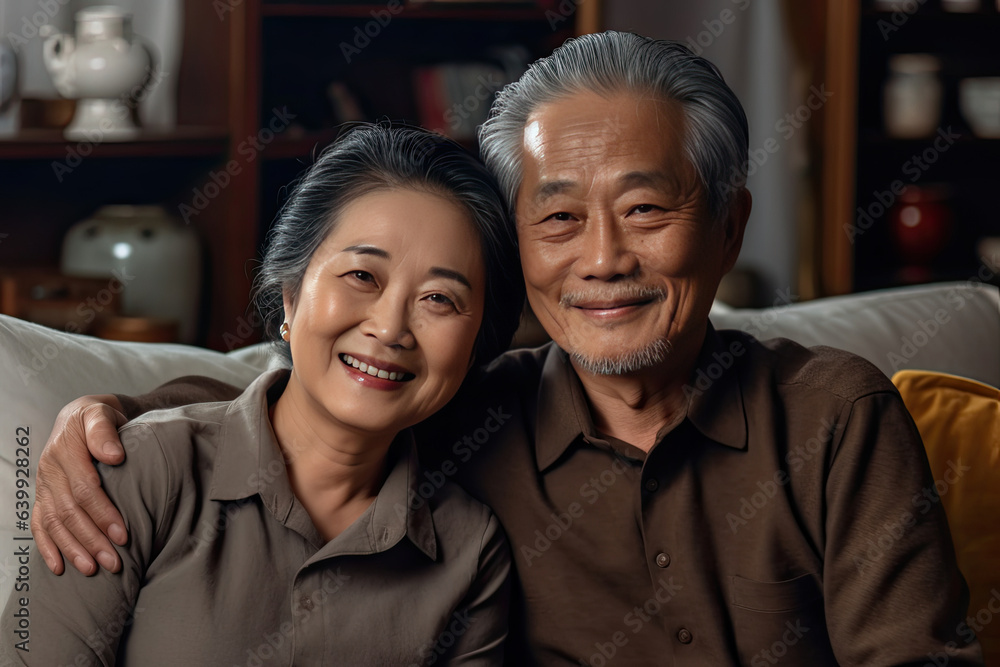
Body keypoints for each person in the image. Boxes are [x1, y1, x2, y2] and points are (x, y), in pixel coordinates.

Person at [29, 32, 983, 665]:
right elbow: (315, 402)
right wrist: (107, 415)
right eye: (558, 216)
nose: (604, 258)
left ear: (729, 228)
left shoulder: (836, 416)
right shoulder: (475, 413)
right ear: (519, 246)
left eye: (646, 209)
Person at [2, 123, 525, 665]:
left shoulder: (471, 554)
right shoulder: (139, 475)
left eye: (440, 298)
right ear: (291, 296)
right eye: (362, 275)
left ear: (477, 344)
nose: (391, 328)